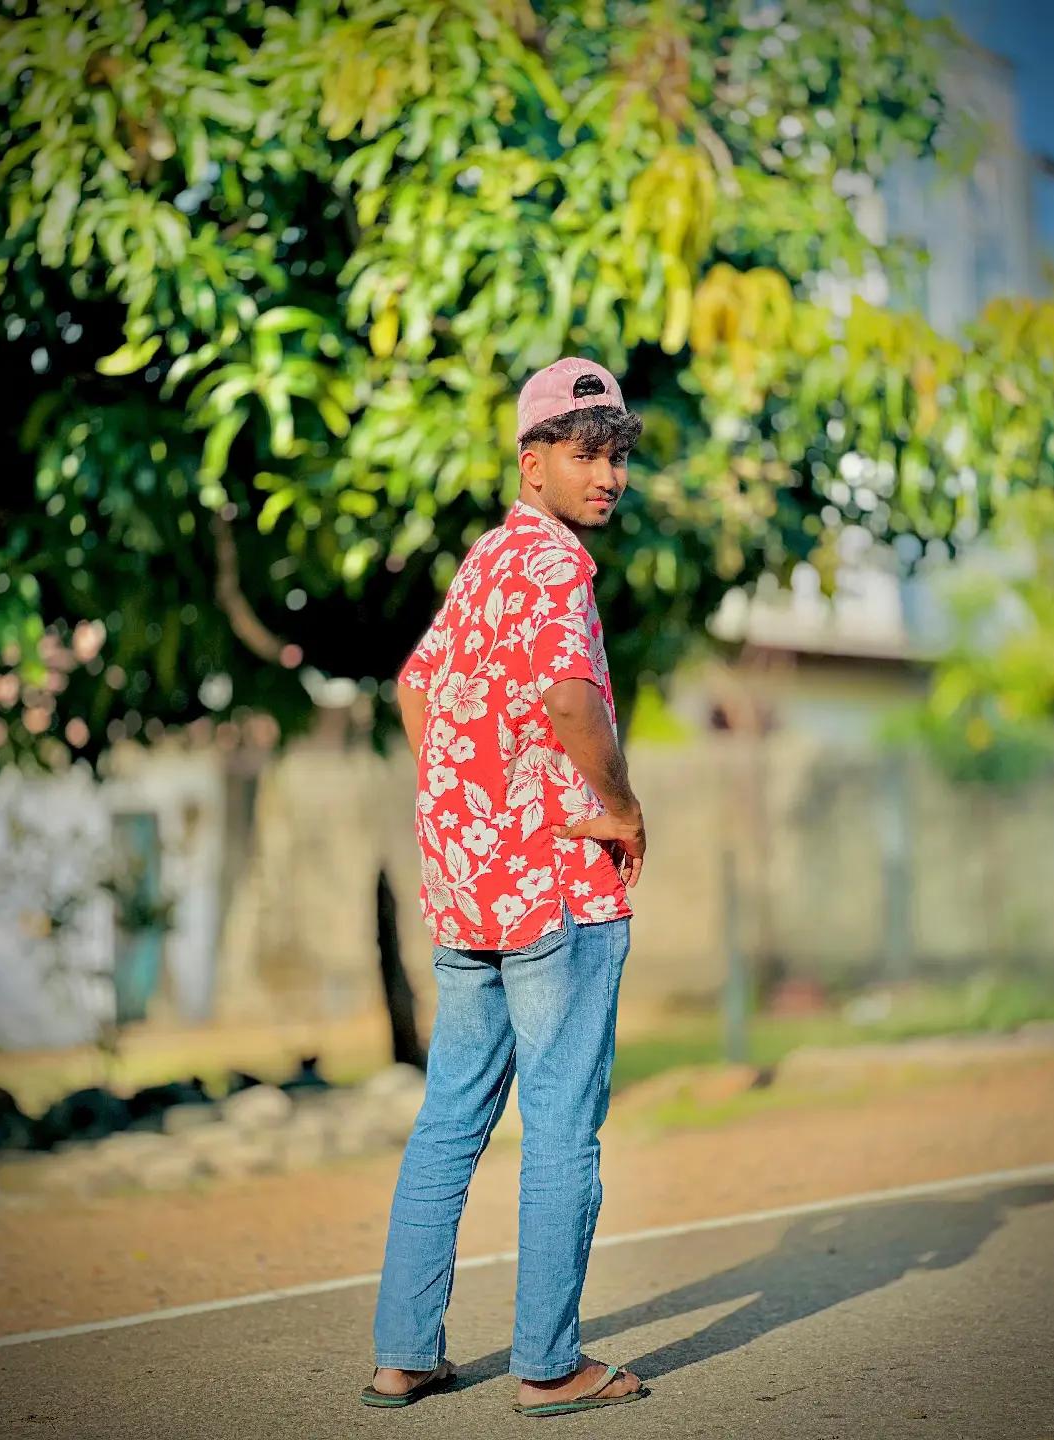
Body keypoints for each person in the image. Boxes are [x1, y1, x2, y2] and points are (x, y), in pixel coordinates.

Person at [361, 357, 651, 1417]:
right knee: (562, 1127)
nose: (607, 475)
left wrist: (466, 807)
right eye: (585, 453)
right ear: (533, 462)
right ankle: (548, 1367)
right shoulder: (558, 566)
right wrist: (619, 806)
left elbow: (416, 686)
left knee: (450, 1120)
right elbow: (571, 696)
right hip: (556, 889)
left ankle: (403, 1357)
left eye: (617, 455)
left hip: (470, 889)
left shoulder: (486, 558)